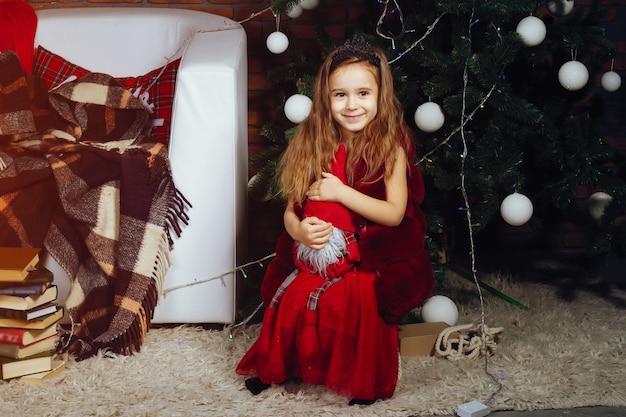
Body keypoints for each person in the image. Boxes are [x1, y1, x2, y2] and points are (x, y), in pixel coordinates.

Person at [236, 36, 434, 405]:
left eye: (362, 93)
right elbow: (293, 208)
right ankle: (283, 366)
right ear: (326, 99)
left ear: (380, 96)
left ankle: (360, 377)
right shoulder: (313, 142)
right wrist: (299, 231)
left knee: (352, 301)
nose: (352, 104)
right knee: (292, 297)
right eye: (340, 95)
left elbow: (394, 214)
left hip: (367, 256)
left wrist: (342, 193)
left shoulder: (390, 145)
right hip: (322, 251)